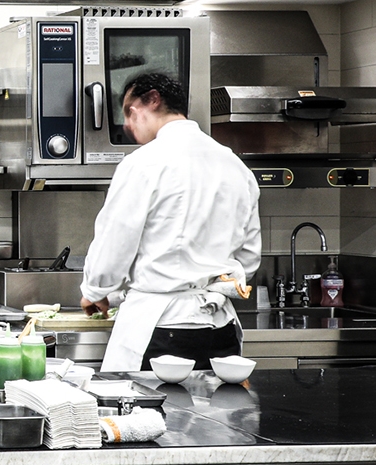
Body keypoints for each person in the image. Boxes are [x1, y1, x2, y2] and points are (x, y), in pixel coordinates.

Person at [80, 72, 261, 372]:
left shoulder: (143, 163)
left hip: (163, 328)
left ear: (153, 100)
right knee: (218, 404)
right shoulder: (235, 166)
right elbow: (249, 258)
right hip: (221, 330)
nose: (127, 125)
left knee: (152, 404)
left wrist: (94, 291)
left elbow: (116, 241)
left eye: (129, 112)